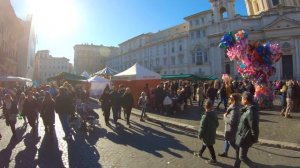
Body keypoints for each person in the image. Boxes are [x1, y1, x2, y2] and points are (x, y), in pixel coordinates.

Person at [234, 92, 259, 168]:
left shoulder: (251, 112)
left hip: (245, 137)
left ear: (246, 100)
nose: (241, 100)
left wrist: (254, 139)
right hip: (240, 134)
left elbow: (254, 127)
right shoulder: (246, 108)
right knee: (238, 153)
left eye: (242, 98)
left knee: (242, 157)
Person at [196, 100, 219, 165]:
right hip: (212, 132)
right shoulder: (214, 114)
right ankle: (200, 153)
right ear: (211, 107)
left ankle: (214, 159)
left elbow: (202, 128)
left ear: (205, 107)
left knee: (209, 145)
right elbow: (217, 124)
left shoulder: (205, 116)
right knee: (205, 143)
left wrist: (200, 135)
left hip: (206, 134)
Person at [218, 93, 241, 157]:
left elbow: (232, 121)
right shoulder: (233, 105)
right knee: (226, 139)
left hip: (231, 128)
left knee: (231, 142)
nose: (229, 99)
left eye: (230, 98)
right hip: (229, 128)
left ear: (233, 100)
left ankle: (240, 152)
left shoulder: (234, 109)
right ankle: (225, 152)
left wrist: (225, 116)